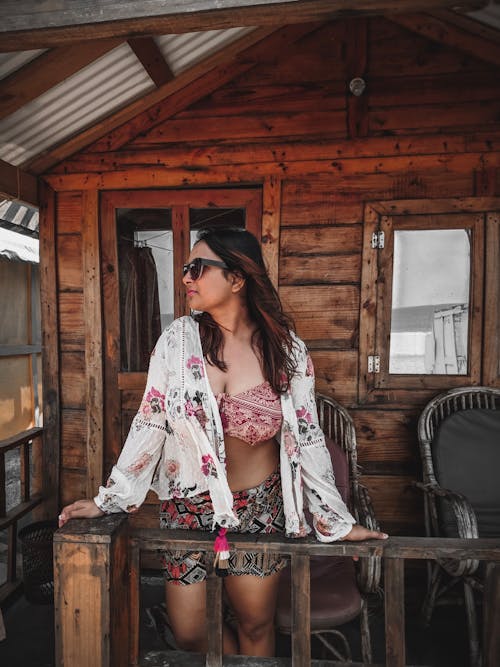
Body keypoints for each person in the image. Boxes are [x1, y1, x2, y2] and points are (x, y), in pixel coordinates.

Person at [59, 227, 387, 658]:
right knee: (192, 633)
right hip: (190, 507)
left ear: (237, 278)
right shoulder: (178, 342)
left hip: (259, 508)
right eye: (184, 269)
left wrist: (338, 522)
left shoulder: (286, 350)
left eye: (198, 268)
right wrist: (111, 499)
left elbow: (308, 438)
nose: (186, 278)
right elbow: (150, 420)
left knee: (255, 626)